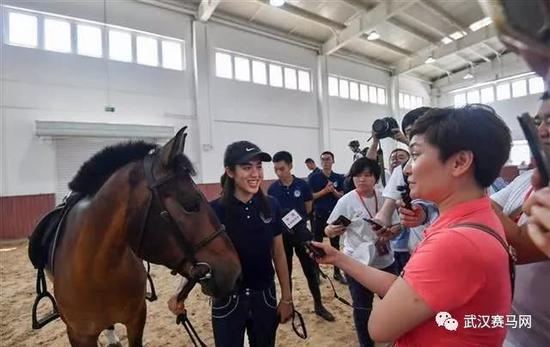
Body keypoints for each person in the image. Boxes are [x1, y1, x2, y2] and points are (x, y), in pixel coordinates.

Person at [311, 105, 513, 346]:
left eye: (415, 155)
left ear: (459, 162)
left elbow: (379, 328)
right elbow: (407, 289)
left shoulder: (454, 243)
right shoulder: (477, 219)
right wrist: (338, 257)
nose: (406, 168)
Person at [169, 141, 293, 347]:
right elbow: (200, 260)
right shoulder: (214, 211)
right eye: (247, 167)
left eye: (259, 167)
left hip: (265, 297)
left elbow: (278, 254)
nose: (255, 174)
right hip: (227, 301)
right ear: (230, 171)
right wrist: (180, 294)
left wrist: (287, 298)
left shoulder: (271, 205)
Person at [324, 157, 395, 347]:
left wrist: (391, 232)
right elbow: (328, 229)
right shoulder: (347, 200)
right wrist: (332, 231)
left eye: (367, 175)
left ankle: (395, 336)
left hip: (385, 260)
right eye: (357, 176)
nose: (361, 179)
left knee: (395, 302)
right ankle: (366, 343)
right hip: (357, 263)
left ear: (376, 178)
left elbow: (397, 225)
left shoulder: (385, 198)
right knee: (362, 308)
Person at [267, 151, 335, 322]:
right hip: (282, 238)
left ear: (290, 166)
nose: (279, 172)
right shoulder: (272, 189)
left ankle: (319, 305)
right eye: (276, 169)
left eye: (282, 168)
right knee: (285, 271)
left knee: (310, 270)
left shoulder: (302, 186)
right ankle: (289, 305)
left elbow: (308, 207)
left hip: (302, 235)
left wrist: (297, 223)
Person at [309, 151, 346, 283]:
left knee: (335, 245)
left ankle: (337, 273)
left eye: (328, 159)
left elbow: (342, 196)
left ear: (333, 161)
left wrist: (333, 191)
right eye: (323, 159)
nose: (326, 161)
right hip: (319, 215)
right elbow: (311, 197)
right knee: (317, 245)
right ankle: (316, 273)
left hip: (334, 215)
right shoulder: (314, 178)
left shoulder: (338, 177)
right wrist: (325, 191)